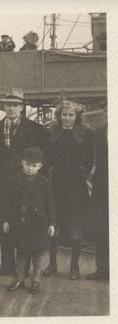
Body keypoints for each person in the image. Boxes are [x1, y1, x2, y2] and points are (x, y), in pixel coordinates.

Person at [0, 88, 49, 276]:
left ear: (21, 107)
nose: (11, 108)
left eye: (15, 105)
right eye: (8, 105)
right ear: (4, 106)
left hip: (26, 185)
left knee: (26, 226)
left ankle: (24, 269)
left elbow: (41, 159)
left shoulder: (35, 129)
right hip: (4, 185)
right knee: (5, 224)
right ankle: (7, 266)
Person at [44, 99, 94, 280]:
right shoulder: (51, 132)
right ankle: (53, 264)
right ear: (59, 116)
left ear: (77, 116)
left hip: (76, 187)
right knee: (53, 226)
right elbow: (47, 158)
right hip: (55, 185)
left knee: (75, 229)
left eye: (71, 115)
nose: (67, 118)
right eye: (64, 115)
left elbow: (90, 159)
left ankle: (74, 267)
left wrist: (84, 175)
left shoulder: (86, 133)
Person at [1, 147, 56, 294]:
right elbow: (8, 202)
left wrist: (52, 223)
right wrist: (6, 220)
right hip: (20, 222)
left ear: (40, 166)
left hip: (39, 223)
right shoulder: (13, 180)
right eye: (27, 164)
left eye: (34, 166)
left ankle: (36, 279)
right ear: (22, 163)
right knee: (21, 251)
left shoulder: (44, 182)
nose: (30, 168)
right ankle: (20, 277)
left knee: (38, 253)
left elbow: (50, 203)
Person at [87, 103, 108, 280]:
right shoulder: (99, 134)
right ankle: (103, 268)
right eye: (107, 110)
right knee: (102, 228)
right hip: (103, 187)